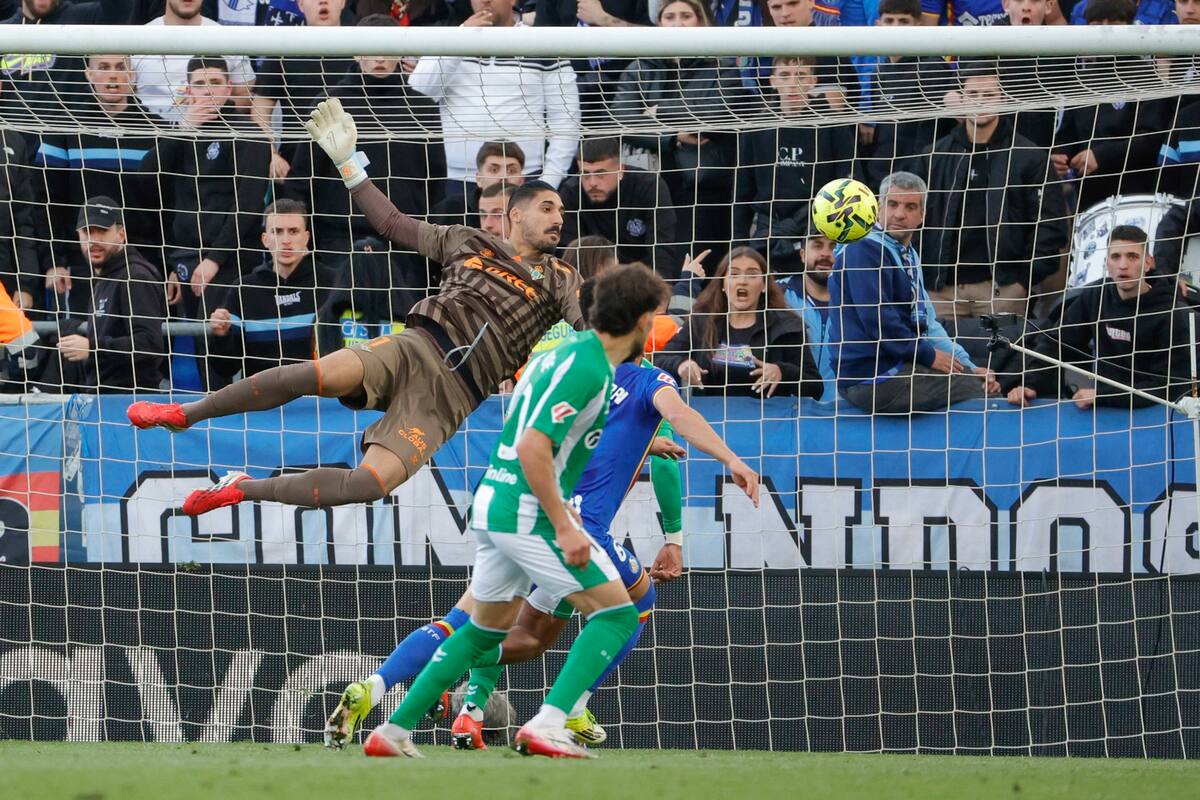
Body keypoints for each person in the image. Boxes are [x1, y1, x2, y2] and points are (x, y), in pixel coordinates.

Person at [325, 272, 760, 752]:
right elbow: (537, 444)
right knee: (617, 614)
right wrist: (562, 524)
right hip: (533, 514)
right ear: (639, 323)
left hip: (495, 499)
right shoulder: (595, 369)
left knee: (479, 632)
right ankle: (552, 720)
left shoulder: (554, 359)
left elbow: (537, 430)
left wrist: (642, 443)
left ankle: (392, 730)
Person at [127, 97, 586, 517]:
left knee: (369, 484)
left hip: (452, 397)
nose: (558, 219)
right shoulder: (469, 241)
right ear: (516, 214)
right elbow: (391, 222)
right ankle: (186, 413)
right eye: (548, 208)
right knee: (314, 375)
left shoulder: (563, 278)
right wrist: (348, 162)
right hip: (416, 346)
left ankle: (241, 488)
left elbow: (591, 334)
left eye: (562, 212)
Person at [830, 171, 999, 414]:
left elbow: (928, 324)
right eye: (893, 204)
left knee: (979, 381)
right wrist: (928, 356)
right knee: (977, 392)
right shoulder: (862, 247)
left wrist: (968, 366)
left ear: (922, 215)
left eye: (910, 207)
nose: (900, 214)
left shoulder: (908, 255)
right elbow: (878, 321)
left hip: (899, 365)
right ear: (878, 209)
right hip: (869, 377)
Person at [910, 62, 1068, 320]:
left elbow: (1050, 226)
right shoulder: (933, 156)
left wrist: (1022, 282)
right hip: (941, 292)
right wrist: (924, 277)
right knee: (943, 361)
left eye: (989, 95)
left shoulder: (1029, 157)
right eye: (973, 94)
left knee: (1003, 360)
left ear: (1003, 98)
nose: (981, 101)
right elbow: (911, 219)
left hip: (1002, 291)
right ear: (961, 98)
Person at [143, 57, 272, 363]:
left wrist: (215, 258)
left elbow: (248, 205)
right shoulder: (182, 137)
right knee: (195, 352)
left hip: (231, 263)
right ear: (188, 91)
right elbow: (147, 178)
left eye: (215, 83)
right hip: (185, 261)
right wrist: (183, 129)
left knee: (219, 351)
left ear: (229, 88)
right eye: (200, 84)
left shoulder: (248, 133)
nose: (208, 91)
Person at [610, 0, 752, 266]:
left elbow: (713, 115)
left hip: (703, 193)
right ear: (659, 23)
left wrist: (657, 111)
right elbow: (621, 120)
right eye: (670, 16)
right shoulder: (640, 68)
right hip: (648, 192)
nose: (678, 23)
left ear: (700, 21)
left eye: (686, 15)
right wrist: (671, 137)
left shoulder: (723, 67)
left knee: (697, 275)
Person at [1004, 225, 1192, 409]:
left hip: (1153, 414)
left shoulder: (1171, 313)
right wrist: (1030, 384)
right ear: (1106, 262)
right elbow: (1058, 343)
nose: (1123, 265)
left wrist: (1103, 396)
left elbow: (1170, 387)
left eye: (1132, 256)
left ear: (1148, 263)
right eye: (1115, 257)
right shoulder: (1096, 295)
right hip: (1103, 412)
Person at [407, 0, 580, 195]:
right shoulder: (452, 39)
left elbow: (566, 121)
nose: (485, 1)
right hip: (455, 182)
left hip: (525, 179)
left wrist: (548, 182)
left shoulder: (541, 43)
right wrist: (461, 37)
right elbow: (418, 93)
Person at [36, 54, 163, 299]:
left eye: (120, 67)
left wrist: (167, 266)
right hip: (81, 264)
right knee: (82, 336)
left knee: (140, 337)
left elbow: (167, 205)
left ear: (132, 75)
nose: (113, 75)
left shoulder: (157, 131)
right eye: (103, 67)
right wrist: (54, 260)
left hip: (143, 264)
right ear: (89, 74)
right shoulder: (63, 127)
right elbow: (46, 202)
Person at [734, 56, 855, 272]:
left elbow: (846, 186)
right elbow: (742, 192)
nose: (792, 83)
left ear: (813, 81)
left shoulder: (833, 126)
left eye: (801, 75)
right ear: (772, 81)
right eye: (784, 76)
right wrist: (739, 246)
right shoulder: (756, 128)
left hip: (818, 229)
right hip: (768, 231)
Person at [655, 247, 821, 398]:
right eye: (734, 274)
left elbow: (815, 387)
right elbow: (658, 360)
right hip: (712, 421)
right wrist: (681, 364)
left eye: (752, 274)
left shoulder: (786, 327)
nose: (742, 281)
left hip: (771, 425)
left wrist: (782, 372)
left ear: (764, 285)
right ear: (723, 284)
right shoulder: (702, 322)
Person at [1052, 0, 1170, 211]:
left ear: (1130, 25)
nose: (1106, 31)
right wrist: (1061, 155)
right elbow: (1067, 134)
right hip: (1089, 201)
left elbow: (1151, 138)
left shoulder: (1146, 77)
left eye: (1114, 23)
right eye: (1097, 24)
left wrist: (1101, 156)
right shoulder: (1080, 80)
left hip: (1136, 197)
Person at [207, 200, 338, 379]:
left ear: (306, 237)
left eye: (293, 231)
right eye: (277, 231)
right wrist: (221, 337)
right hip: (262, 401)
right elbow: (225, 368)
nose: (286, 240)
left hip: (319, 399)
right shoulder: (244, 289)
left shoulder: (332, 282)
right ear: (265, 239)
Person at [53, 197, 166, 392]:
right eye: (87, 232)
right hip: (103, 396)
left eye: (102, 232)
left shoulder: (136, 277)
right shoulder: (104, 276)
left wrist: (92, 347)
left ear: (121, 235)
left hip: (130, 399)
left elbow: (149, 343)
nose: (94, 240)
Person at [853, 0, 955, 191]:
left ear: (918, 26)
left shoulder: (931, 68)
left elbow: (930, 141)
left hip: (915, 187)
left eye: (903, 21)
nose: (896, 28)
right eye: (889, 21)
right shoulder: (880, 72)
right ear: (878, 26)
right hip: (881, 183)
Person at [252, 0, 357, 179]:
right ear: (300, 5)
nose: (323, 1)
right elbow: (259, 111)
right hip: (295, 167)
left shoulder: (362, 49)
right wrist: (270, 154)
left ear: (342, 3)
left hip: (354, 163)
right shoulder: (284, 50)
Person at [559, 137, 683, 278]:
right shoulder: (571, 192)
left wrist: (659, 293)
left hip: (641, 277)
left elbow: (661, 248)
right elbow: (569, 253)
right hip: (591, 278)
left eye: (600, 173)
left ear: (620, 169)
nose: (592, 183)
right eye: (585, 174)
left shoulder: (649, 186)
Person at [133, 0, 256, 124]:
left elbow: (246, 97)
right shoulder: (136, 39)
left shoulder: (226, 38)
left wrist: (214, 103)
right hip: (152, 137)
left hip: (213, 137)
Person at [779, 225, 837, 401]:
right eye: (817, 245)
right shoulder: (775, 294)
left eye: (834, 246)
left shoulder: (858, 300)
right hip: (787, 411)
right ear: (803, 255)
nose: (826, 253)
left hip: (843, 413)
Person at [429, 141, 525, 229]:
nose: (503, 177)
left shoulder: (532, 211)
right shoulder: (449, 210)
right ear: (478, 179)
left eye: (511, 171)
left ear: (522, 180)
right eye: (494, 170)